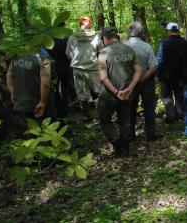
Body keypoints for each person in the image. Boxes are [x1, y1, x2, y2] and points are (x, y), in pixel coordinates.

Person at [97, 27, 141, 157]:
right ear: (117, 36)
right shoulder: (129, 49)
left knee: (104, 120)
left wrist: (116, 92)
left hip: (109, 95)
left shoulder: (103, 53)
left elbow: (103, 77)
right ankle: (125, 149)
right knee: (125, 120)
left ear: (105, 38)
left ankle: (118, 145)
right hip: (128, 93)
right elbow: (138, 71)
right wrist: (130, 88)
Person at [126, 22, 160, 141]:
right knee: (149, 107)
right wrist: (142, 79)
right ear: (141, 32)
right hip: (146, 82)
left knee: (130, 108)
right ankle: (151, 134)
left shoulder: (123, 46)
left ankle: (130, 134)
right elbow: (154, 66)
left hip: (129, 83)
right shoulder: (146, 46)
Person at [66, 16, 104, 120]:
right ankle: (102, 113)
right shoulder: (96, 36)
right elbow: (101, 51)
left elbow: (68, 53)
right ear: (90, 24)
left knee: (82, 93)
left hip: (77, 68)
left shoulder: (73, 37)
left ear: (80, 24)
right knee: (99, 91)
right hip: (93, 68)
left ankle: (87, 116)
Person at [6, 49, 55, 126]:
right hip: (37, 102)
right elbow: (46, 84)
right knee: (44, 127)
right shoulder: (43, 58)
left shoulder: (17, 56)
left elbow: (9, 75)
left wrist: (12, 92)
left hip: (21, 102)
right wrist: (43, 102)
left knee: (26, 127)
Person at [157, 22, 184, 123]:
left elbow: (159, 60)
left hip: (165, 76)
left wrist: (157, 74)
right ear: (177, 31)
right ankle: (180, 114)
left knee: (166, 96)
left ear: (168, 31)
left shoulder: (163, 43)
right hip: (180, 75)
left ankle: (171, 116)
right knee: (179, 95)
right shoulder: (184, 42)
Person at [47, 21, 75, 118]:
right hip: (66, 65)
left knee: (63, 85)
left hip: (55, 66)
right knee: (65, 86)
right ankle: (66, 106)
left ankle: (69, 104)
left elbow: (47, 53)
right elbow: (71, 52)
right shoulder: (67, 39)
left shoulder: (50, 39)